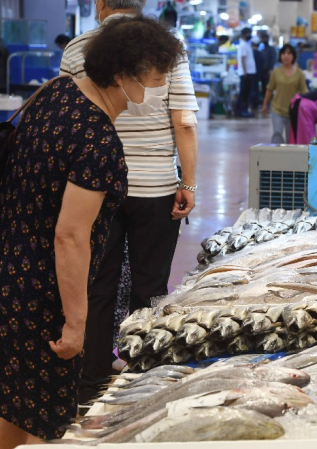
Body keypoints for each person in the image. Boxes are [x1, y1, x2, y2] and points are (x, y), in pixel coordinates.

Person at [0, 15, 184, 448]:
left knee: (11, 404)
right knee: (40, 420)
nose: (160, 90)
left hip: (9, 271)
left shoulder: (55, 93)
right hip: (42, 294)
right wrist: (76, 324)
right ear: (124, 76)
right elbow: (70, 237)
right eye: (157, 79)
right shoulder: (98, 141)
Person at [60, 0, 199, 405]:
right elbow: (185, 122)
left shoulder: (77, 48)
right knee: (150, 286)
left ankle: (91, 381)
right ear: (142, 6)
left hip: (93, 188)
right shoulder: (168, 49)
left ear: (101, 4)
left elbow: (68, 116)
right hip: (155, 186)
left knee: (98, 283)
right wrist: (188, 183)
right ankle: (142, 379)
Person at [262, 44, 308, 144]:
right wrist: (265, 104)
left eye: (289, 53)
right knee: (277, 133)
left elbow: (304, 91)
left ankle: (288, 157)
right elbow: (269, 89)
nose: (286, 56)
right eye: (283, 53)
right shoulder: (276, 72)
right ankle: (276, 155)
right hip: (277, 109)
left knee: (290, 138)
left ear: (293, 56)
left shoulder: (299, 73)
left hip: (292, 111)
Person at [236, 27, 257, 117]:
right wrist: (245, 72)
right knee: (244, 93)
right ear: (244, 34)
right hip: (246, 73)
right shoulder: (243, 45)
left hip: (249, 72)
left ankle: (244, 110)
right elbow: (242, 59)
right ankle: (241, 111)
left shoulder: (246, 44)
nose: (250, 35)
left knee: (247, 93)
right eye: (248, 33)